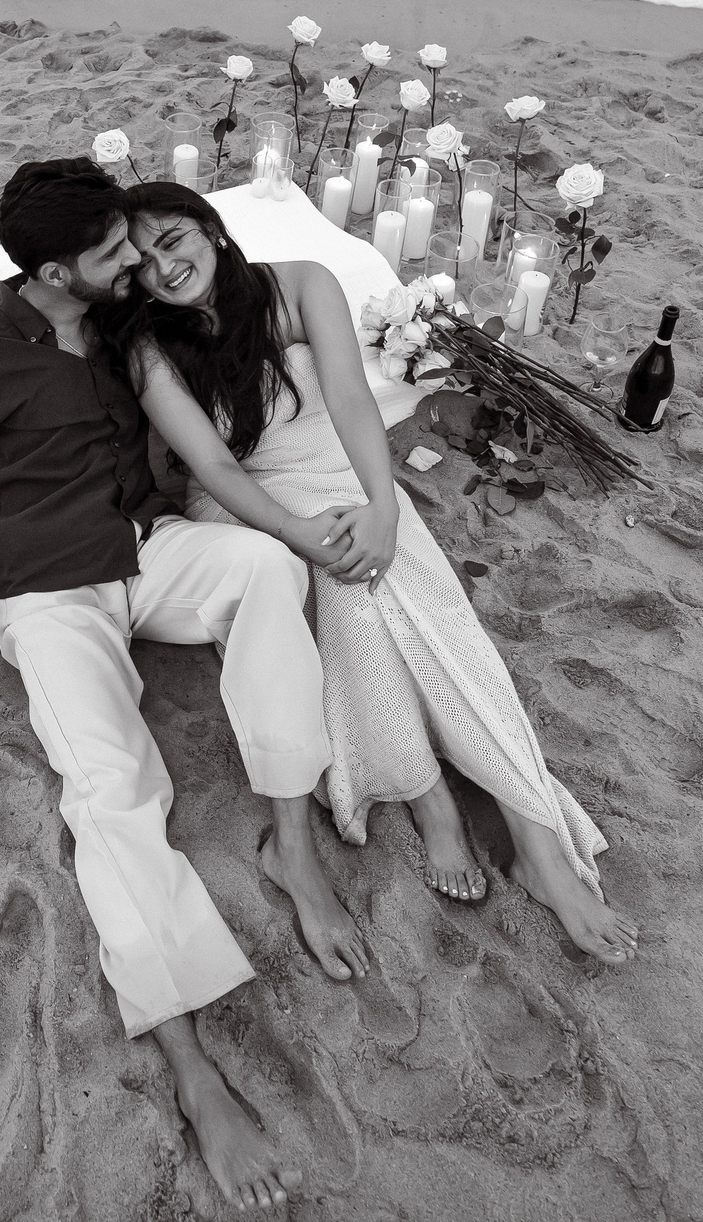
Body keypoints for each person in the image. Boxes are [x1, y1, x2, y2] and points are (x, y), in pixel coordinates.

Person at [0, 157, 370, 1212]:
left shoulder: (121, 326)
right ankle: (197, 1078)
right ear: (58, 270)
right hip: (49, 595)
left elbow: (238, 325)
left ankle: (291, 849)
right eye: (116, 253)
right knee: (112, 788)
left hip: (143, 552)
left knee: (264, 565)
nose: (136, 264)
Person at [100, 180, 639, 965]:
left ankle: (534, 837)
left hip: (348, 475)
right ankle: (428, 798)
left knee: (430, 609)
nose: (162, 268)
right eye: (143, 260)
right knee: (353, 594)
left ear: (211, 230)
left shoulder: (301, 283)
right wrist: (297, 536)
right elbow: (212, 462)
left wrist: (384, 506)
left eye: (173, 241)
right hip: (251, 505)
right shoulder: (152, 348)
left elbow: (353, 402)